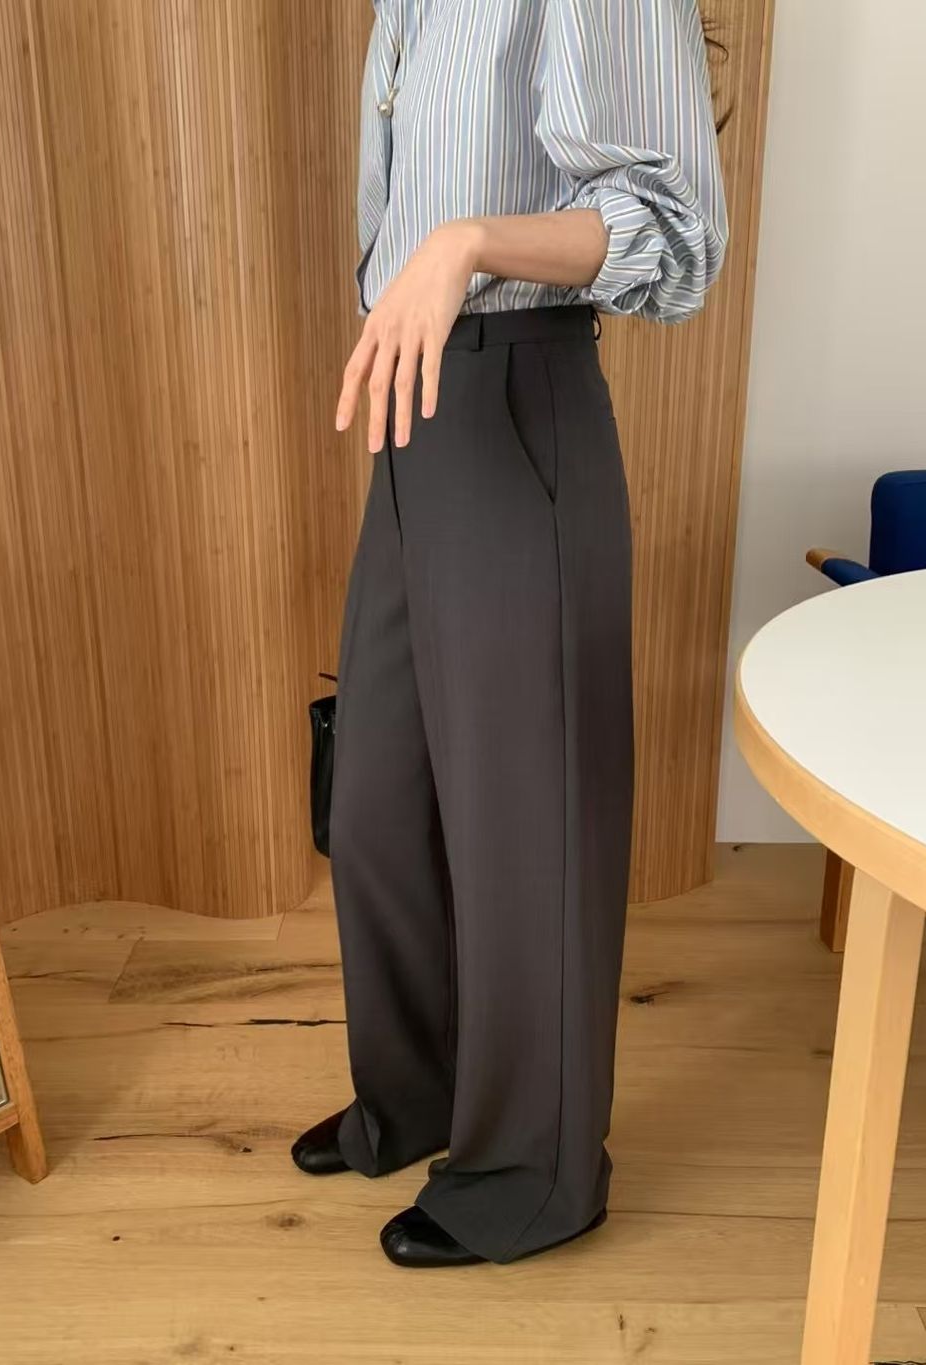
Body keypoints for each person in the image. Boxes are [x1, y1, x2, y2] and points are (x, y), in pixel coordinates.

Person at [292, 0, 728, 1268]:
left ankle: (533, 1176)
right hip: (416, 420)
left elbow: (674, 230)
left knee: (523, 830)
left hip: (517, 394)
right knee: (379, 803)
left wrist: (468, 241)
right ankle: (422, 1094)